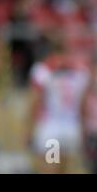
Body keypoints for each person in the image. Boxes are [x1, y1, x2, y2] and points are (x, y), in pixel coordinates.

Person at [26, 34, 91, 173]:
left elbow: (36, 102)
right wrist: (84, 130)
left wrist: (28, 129)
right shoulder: (81, 71)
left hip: (51, 127)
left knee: (50, 168)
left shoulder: (43, 70)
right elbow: (83, 106)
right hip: (72, 126)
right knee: (65, 169)